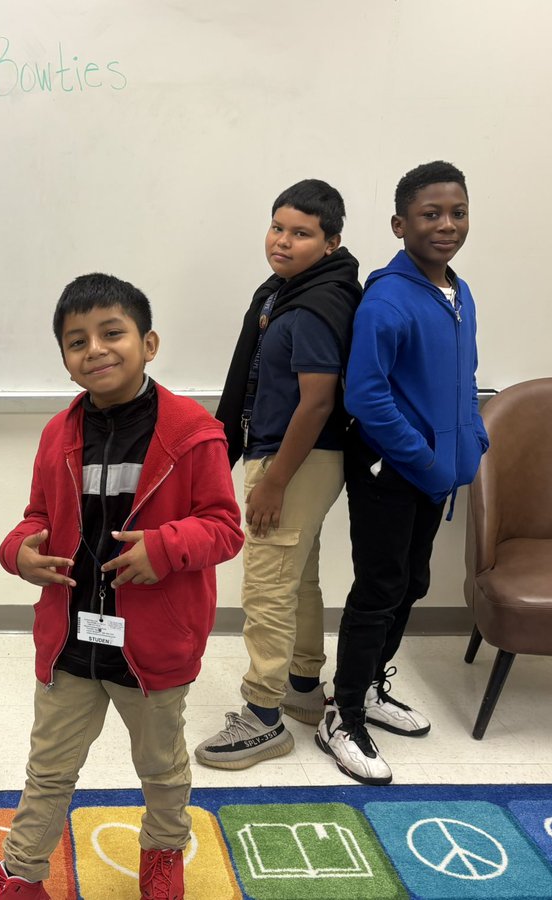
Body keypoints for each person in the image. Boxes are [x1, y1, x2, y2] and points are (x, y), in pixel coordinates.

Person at [0, 274, 243, 900]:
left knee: (161, 767)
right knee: (49, 769)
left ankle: (163, 853)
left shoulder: (194, 431)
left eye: (111, 333)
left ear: (149, 343)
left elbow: (225, 528)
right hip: (70, 640)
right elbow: (37, 516)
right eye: (76, 341)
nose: (94, 349)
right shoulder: (57, 434)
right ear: (66, 360)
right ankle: (21, 875)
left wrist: (164, 548)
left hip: (153, 645)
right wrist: (19, 551)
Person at [317, 161, 487, 785]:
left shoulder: (458, 293)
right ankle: (342, 716)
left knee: (411, 582)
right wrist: (425, 459)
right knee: (379, 588)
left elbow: (463, 378)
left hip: (432, 473)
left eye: (457, 213)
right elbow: (366, 396)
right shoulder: (387, 299)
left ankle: (368, 688)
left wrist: (473, 440)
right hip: (391, 470)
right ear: (399, 224)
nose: (447, 225)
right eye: (430, 214)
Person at [196, 180, 362, 769]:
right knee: (299, 577)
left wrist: (273, 481)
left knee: (267, 588)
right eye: (277, 227)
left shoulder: (313, 307)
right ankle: (302, 686)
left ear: (331, 242)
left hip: (294, 462)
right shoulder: (290, 292)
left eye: (301, 233)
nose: (283, 241)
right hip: (303, 460)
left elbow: (316, 403)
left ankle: (263, 718)